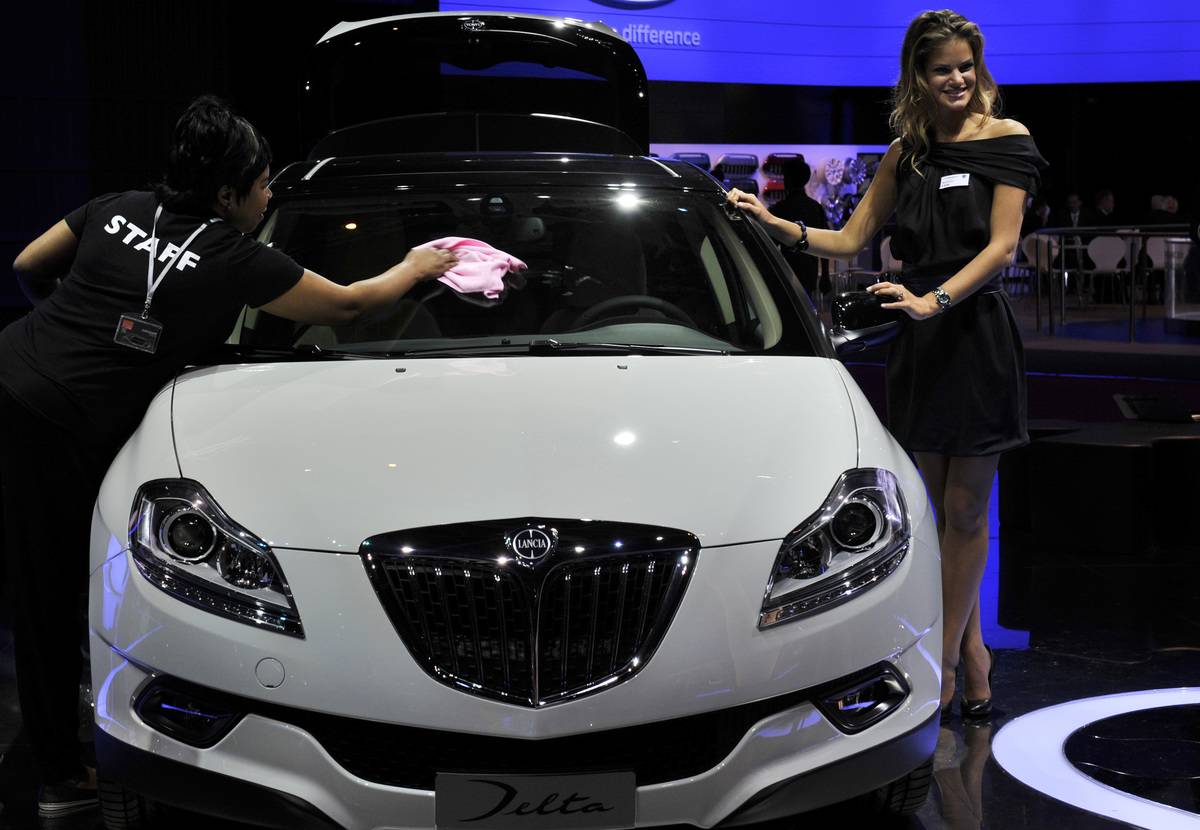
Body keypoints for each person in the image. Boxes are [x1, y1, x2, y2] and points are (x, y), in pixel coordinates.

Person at [0, 95, 455, 817]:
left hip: (16, 370)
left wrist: (69, 330)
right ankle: (59, 778)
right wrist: (416, 262)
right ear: (226, 193)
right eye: (262, 184)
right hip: (51, 423)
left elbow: (28, 264)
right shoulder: (235, 255)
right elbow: (348, 306)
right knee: (50, 595)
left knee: (48, 584)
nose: (268, 195)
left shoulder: (117, 204)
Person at [728, 10, 1046, 720]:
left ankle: (950, 653)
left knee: (967, 507)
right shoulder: (908, 152)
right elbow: (848, 239)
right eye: (943, 70)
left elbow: (1001, 249)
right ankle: (969, 649)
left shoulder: (1009, 142)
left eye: (966, 65)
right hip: (919, 339)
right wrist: (775, 224)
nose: (957, 79)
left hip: (974, 337)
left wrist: (934, 299)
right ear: (919, 77)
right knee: (931, 511)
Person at [769, 157, 828, 295]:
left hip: (788, 272)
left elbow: (772, 244)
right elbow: (824, 243)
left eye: (785, 177)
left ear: (789, 179)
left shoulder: (780, 208)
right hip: (810, 273)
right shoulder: (816, 208)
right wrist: (825, 275)